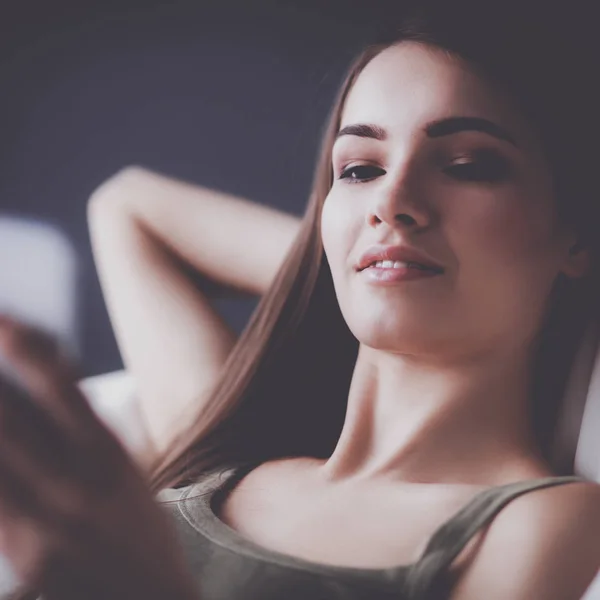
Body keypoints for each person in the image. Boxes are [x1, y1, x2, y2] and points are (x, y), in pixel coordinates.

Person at [1, 2, 599, 599]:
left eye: (468, 165)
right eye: (361, 169)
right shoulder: (222, 445)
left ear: (576, 235)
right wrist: (356, 266)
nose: (391, 201)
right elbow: (128, 205)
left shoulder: (537, 521)